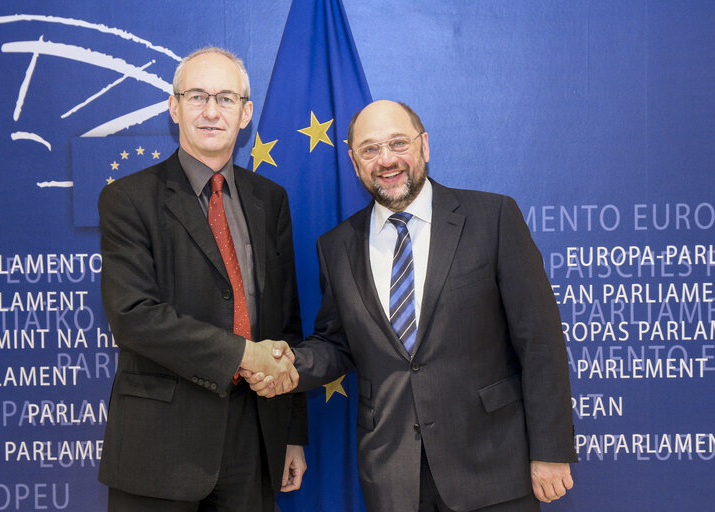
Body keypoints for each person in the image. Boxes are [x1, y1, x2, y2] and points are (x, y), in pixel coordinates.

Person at [246, 100, 577, 511]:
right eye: (370, 150)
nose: (386, 160)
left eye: (398, 143)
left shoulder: (492, 218)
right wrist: (289, 365)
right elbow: (337, 343)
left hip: (493, 467)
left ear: (424, 146)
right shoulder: (336, 246)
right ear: (353, 162)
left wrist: (550, 450)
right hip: (393, 475)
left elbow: (540, 341)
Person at [97, 47, 307, 512]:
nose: (211, 111)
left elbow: (284, 320)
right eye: (197, 96)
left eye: (226, 98)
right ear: (174, 107)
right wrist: (241, 354)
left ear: (246, 112)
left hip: (254, 440)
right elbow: (134, 317)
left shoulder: (270, 200)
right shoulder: (127, 199)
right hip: (159, 448)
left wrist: (291, 432)